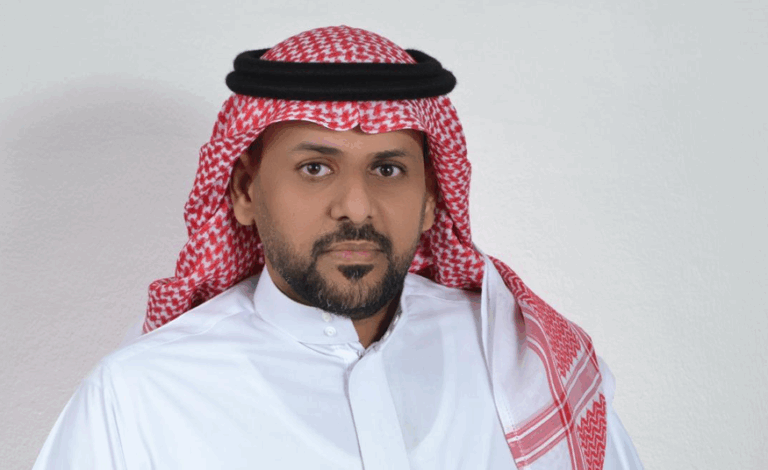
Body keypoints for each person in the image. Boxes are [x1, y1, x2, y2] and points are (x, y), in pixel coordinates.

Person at [32, 25, 643, 469]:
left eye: (388, 169)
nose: (356, 206)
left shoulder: (525, 362)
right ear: (244, 192)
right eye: (316, 169)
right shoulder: (140, 397)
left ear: (432, 198)